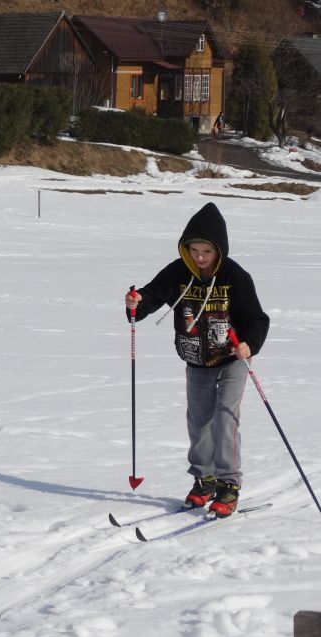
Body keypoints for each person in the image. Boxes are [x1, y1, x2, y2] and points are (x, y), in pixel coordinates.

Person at [124, 202, 269, 518]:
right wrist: (137, 303)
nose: (200, 257)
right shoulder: (178, 271)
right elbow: (152, 296)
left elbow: (256, 318)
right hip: (196, 360)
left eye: (207, 251)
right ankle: (204, 480)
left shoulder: (235, 276)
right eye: (194, 249)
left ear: (219, 249)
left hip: (232, 359)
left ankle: (228, 485)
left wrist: (249, 344)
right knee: (199, 421)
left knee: (225, 417)